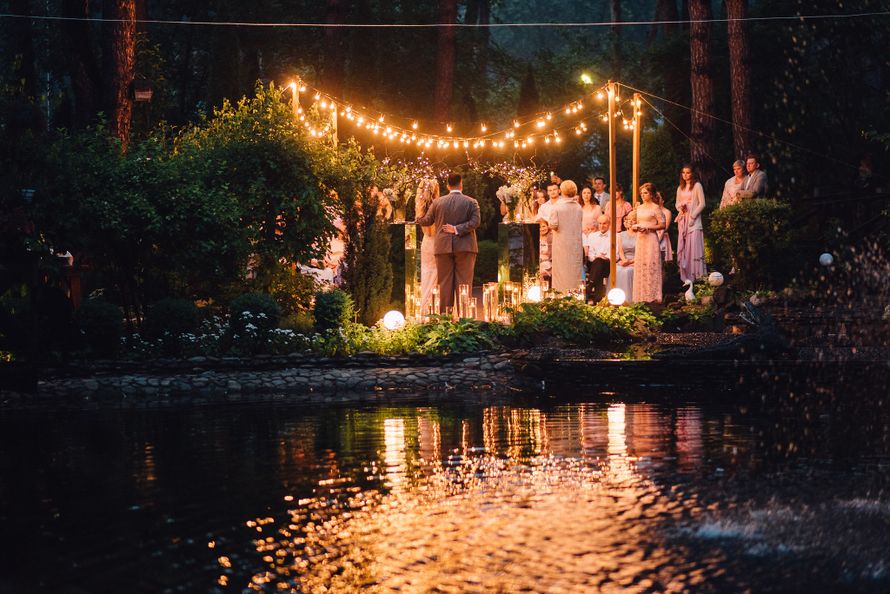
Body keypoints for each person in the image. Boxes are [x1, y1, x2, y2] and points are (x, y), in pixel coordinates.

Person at [414, 173, 480, 309]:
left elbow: (427, 221)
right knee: (464, 284)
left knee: (444, 284)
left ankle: (445, 317)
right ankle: (464, 316)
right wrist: (457, 229)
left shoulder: (438, 202)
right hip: (465, 248)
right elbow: (475, 222)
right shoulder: (471, 202)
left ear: (448, 185)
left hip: (442, 248)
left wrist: (418, 215)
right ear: (461, 184)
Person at [546, 180, 584, 293]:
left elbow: (553, 225)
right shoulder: (578, 207)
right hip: (575, 244)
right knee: (574, 270)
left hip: (561, 244)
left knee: (561, 270)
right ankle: (575, 295)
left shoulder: (557, 207)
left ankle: (560, 295)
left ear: (561, 191)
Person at [631, 182, 667, 303]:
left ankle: (653, 297)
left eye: (645, 193)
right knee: (641, 266)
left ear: (651, 194)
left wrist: (649, 227)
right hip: (640, 238)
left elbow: (662, 224)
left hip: (651, 238)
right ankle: (640, 297)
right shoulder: (639, 208)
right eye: (641, 193)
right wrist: (635, 227)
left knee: (651, 265)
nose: (643, 195)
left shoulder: (655, 208)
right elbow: (635, 222)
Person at [675, 165, 707, 283]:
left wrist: (693, 216)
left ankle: (698, 276)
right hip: (683, 219)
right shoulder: (680, 188)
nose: (685, 175)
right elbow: (677, 204)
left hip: (694, 220)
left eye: (688, 172)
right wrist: (680, 207)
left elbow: (702, 203)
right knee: (685, 247)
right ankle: (688, 276)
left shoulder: (697, 186)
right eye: (683, 173)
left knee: (694, 246)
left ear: (692, 173)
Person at [414, 178, 441, 316]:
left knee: (426, 274)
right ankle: (436, 308)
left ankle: (425, 308)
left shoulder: (420, 205)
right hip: (437, 242)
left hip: (426, 242)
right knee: (437, 275)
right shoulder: (439, 205)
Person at [584, 214, 625, 303]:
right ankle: (597, 299)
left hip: (609, 264)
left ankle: (590, 285)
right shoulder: (592, 236)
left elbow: (617, 254)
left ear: (609, 224)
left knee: (599, 264)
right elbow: (590, 254)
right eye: (600, 223)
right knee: (598, 264)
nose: (602, 226)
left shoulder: (615, 236)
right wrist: (596, 257)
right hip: (594, 263)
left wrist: (605, 258)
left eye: (604, 223)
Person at [536, 181, 561, 285]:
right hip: (547, 237)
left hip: (560, 236)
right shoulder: (544, 207)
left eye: (554, 189)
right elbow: (539, 220)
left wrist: (549, 221)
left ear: (559, 190)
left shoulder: (563, 204)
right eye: (550, 190)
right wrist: (548, 224)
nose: (552, 192)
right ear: (548, 192)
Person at [615, 213, 636, 303]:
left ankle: (628, 300)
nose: (629, 222)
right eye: (626, 220)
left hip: (635, 260)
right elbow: (620, 251)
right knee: (616, 270)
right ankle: (616, 299)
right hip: (624, 260)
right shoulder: (620, 235)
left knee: (627, 271)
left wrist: (630, 262)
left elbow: (641, 252)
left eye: (632, 220)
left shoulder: (640, 235)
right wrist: (624, 260)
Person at [654, 191, 674, 262]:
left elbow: (666, 227)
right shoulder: (652, 210)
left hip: (662, 237)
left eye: (658, 197)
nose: (656, 199)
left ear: (663, 200)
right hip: (652, 235)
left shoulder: (667, 212)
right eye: (655, 197)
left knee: (661, 261)